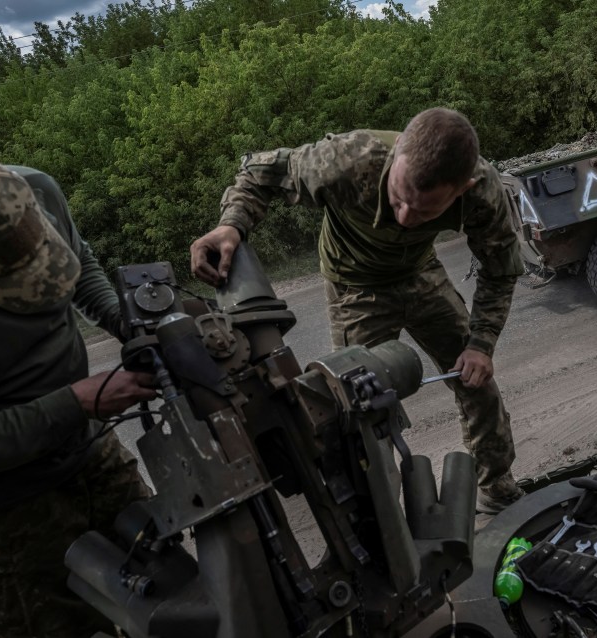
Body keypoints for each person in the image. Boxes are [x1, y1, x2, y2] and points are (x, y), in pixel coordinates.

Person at [190, 107, 525, 514]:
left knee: (476, 380)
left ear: (462, 189)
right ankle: (383, 522)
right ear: (398, 149)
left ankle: (497, 488)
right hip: (355, 289)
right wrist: (232, 225)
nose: (404, 217)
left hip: (421, 274)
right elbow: (259, 174)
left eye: (424, 212)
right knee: (359, 411)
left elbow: (501, 270)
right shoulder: (348, 159)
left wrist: (481, 343)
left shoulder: (482, 192)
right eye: (399, 198)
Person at [0, 150, 158, 638]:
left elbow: (78, 259)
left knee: (163, 590)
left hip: (90, 454)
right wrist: (75, 403)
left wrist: (120, 320)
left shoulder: (30, 191)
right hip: (3, 511)